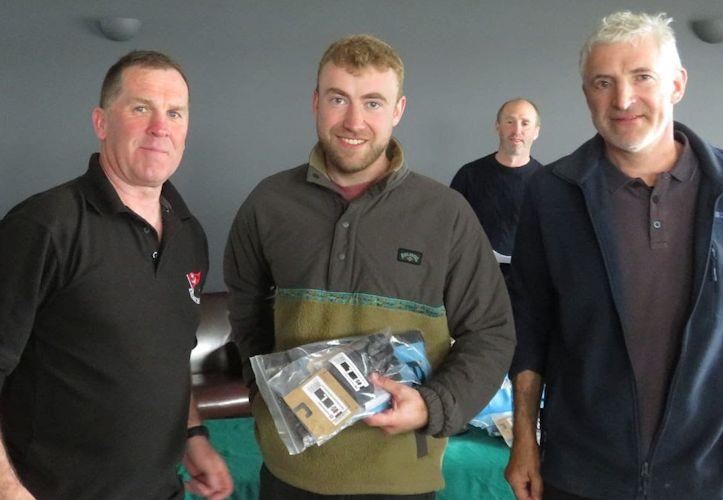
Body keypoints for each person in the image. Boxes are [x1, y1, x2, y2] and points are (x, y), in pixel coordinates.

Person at [505, 11, 723, 500]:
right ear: (586, 94)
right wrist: (523, 442)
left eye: (642, 77)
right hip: (583, 475)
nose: (623, 100)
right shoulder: (551, 193)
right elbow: (530, 326)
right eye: (604, 82)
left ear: (677, 84)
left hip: (718, 477)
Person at [225, 34, 515, 499]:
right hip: (289, 477)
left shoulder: (445, 213)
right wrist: (262, 390)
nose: (354, 121)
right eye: (338, 98)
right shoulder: (268, 204)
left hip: (403, 478)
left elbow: (493, 332)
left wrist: (433, 405)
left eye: (373, 102)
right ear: (316, 102)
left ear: (398, 110)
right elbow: (245, 304)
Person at [0, 51, 233, 500]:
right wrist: (9, 490)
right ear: (102, 122)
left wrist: (195, 438)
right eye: (141, 107)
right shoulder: (45, 225)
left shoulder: (189, 235)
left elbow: (168, 359)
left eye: (175, 112)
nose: (160, 127)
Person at [450, 98, 543, 283]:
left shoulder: (546, 183)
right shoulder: (469, 174)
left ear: (536, 132)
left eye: (525, 123)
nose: (517, 130)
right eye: (510, 121)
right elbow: (449, 228)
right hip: (474, 278)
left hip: (528, 282)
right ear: (498, 126)